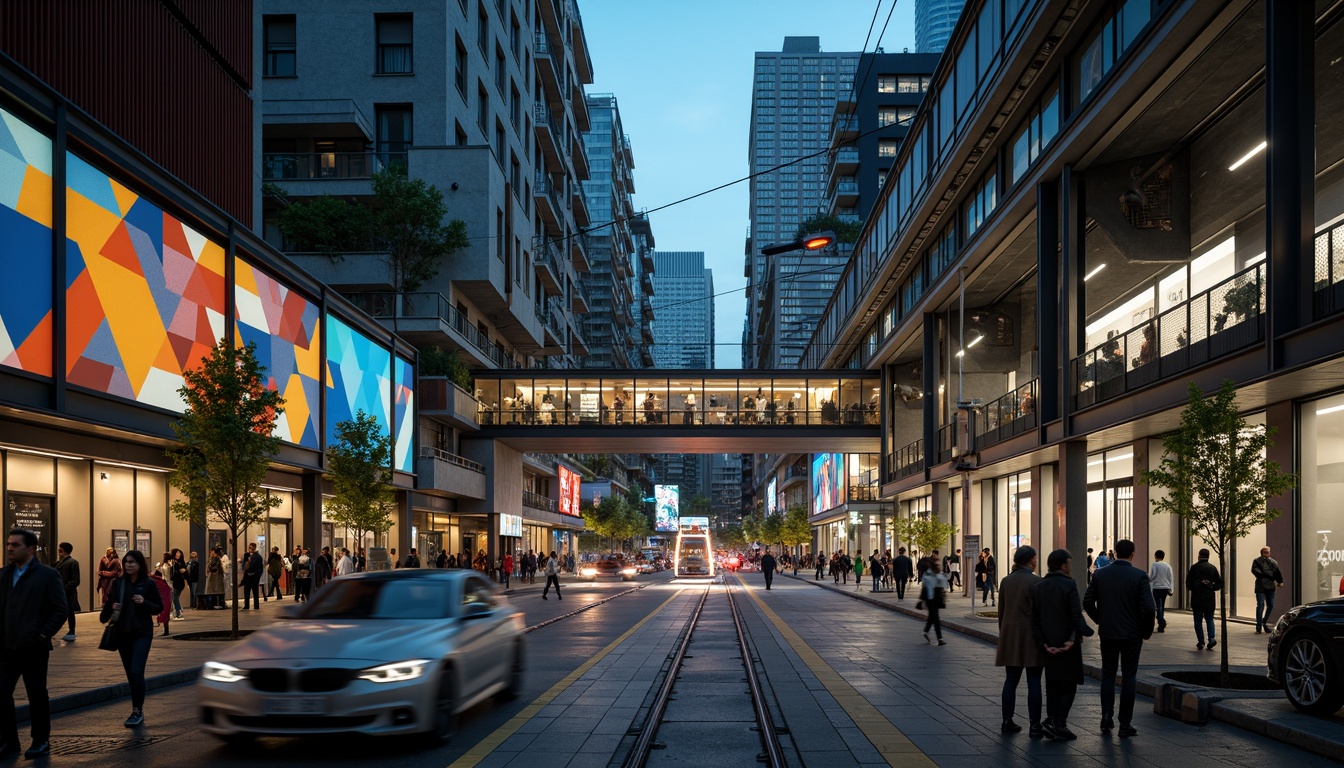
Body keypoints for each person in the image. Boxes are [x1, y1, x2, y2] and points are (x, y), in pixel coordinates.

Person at [0, 528, 68, 758]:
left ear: (30, 549)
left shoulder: (47, 575)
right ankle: (9, 740)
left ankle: (41, 740)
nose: (10, 548)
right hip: (6, 647)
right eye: (8, 544)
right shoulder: (3, 575)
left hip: (34, 647)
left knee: (36, 695)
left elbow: (60, 610)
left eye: (15, 545)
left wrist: (42, 634)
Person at [1083, 539, 1154, 737]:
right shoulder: (1139, 576)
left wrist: (1101, 620)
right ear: (1133, 554)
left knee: (1108, 674)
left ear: (1114, 552)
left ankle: (1106, 717)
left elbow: (1087, 602)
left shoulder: (1100, 574)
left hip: (1108, 633)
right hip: (1132, 634)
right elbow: (1149, 607)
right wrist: (1145, 631)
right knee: (1129, 677)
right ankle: (1125, 724)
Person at [1032, 549, 1093, 741]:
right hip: (1068, 644)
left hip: (1049, 645)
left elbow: (1034, 619)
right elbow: (1076, 614)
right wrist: (1087, 631)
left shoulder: (1039, 585)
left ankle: (1051, 720)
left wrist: (1044, 643)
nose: (1071, 566)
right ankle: (1060, 723)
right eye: (1069, 562)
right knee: (1070, 684)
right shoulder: (1069, 584)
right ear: (1063, 565)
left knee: (1052, 684)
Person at [99, 549, 162, 728]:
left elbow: (158, 607)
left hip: (142, 633)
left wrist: (144, 602)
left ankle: (137, 711)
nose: (128, 565)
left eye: (132, 562)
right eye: (126, 562)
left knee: (136, 672)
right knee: (131, 675)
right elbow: (103, 617)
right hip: (122, 635)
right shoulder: (118, 584)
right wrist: (112, 606)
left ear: (140, 564)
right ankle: (136, 708)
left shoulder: (148, 584)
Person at [996, 546, 1045, 736]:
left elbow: (1002, 611)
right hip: (1032, 637)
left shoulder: (1006, 581)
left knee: (1011, 680)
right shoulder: (1037, 582)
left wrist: (1004, 633)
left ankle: (1007, 720)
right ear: (1031, 559)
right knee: (1034, 681)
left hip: (1011, 636)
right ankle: (1034, 725)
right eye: (1035, 558)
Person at [1187, 549, 1222, 651]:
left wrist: (1196, 587)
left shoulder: (1194, 568)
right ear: (1208, 556)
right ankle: (1211, 638)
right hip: (1209, 599)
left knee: (1198, 621)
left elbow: (1188, 583)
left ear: (1199, 555)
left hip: (1197, 598)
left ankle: (1201, 641)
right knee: (1209, 619)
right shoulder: (1213, 568)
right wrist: (1211, 586)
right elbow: (1219, 583)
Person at [1251, 547, 1284, 634]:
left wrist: (1280, 581)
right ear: (1261, 552)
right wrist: (1267, 575)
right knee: (1261, 605)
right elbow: (1255, 571)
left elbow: (1277, 572)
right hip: (1260, 586)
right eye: (1265, 552)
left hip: (1270, 586)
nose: (1266, 553)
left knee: (1271, 605)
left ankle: (1263, 622)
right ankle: (1258, 626)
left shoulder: (1273, 562)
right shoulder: (1257, 561)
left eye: (1268, 552)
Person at [54, 543, 80, 642]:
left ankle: (71, 631)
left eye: (60, 550)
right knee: (68, 612)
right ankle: (71, 631)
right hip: (66, 591)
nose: (59, 553)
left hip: (68, 592)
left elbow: (76, 580)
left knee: (68, 612)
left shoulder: (71, 562)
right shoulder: (62, 562)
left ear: (63, 551)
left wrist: (63, 588)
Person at [919, 559, 949, 645]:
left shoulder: (933, 575)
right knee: (935, 619)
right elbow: (939, 584)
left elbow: (945, 584)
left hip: (934, 598)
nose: (939, 567)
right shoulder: (930, 575)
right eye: (937, 566)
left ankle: (925, 632)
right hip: (931, 599)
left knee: (932, 617)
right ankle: (940, 638)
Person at [1147, 550, 1173, 633]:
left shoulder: (1155, 565)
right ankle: (1162, 621)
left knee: (1158, 606)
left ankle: (1161, 622)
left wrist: (1147, 577)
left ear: (1155, 556)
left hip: (1157, 587)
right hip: (1165, 588)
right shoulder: (1168, 566)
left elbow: (1151, 577)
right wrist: (1171, 589)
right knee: (1162, 605)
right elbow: (1170, 578)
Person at [150, 566, 172, 637]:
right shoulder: (161, 581)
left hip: (163, 599)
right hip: (167, 598)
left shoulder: (154, 580)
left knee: (164, 614)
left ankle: (166, 631)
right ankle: (166, 630)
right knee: (165, 615)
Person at [240, 543, 263, 610]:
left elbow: (259, 568)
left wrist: (256, 575)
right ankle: (246, 605)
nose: (250, 549)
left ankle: (256, 605)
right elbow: (244, 566)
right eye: (249, 547)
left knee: (255, 591)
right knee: (246, 591)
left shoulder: (258, 557)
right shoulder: (247, 556)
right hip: (247, 576)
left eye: (251, 547)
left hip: (254, 576)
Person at [169, 549, 188, 619]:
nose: (178, 554)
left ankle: (178, 612)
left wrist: (184, 570)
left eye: (179, 552)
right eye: (177, 553)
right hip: (175, 580)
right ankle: (179, 609)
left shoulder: (180, 562)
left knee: (175, 597)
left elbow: (183, 569)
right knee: (175, 597)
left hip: (179, 581)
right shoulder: (173, 561)